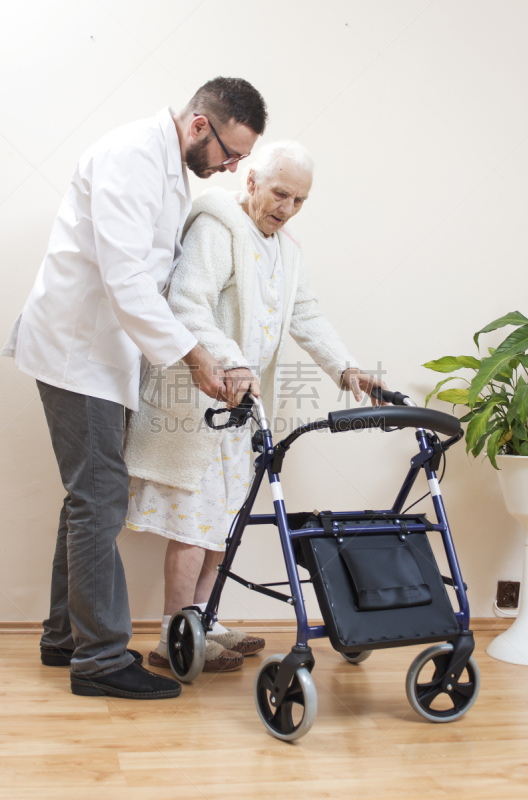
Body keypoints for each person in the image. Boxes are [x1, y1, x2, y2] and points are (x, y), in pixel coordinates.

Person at [1, 77, 268, 699]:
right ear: (201, 124)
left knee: (87, 497)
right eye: (231, 152)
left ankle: (64, 636)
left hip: (104, 355)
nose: (232, 166)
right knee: (101, 498)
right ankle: (99, 661)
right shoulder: (130, 157)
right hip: (77, 350)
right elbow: (126, 280)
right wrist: (194, 359)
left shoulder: (170, 169)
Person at [123, 141, 387, 673]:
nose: (287, 208)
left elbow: (306, 315)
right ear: (251, 183)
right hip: (197, 402)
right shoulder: (217, 227)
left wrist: (347, 368)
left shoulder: (286, 249)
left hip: (239, 410)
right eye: (280, 193)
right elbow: (186, 302)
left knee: (224, 521)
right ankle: (175, 636)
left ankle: (205, 619)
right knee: (194, 524)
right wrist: (230, 360)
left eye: (299, 200)